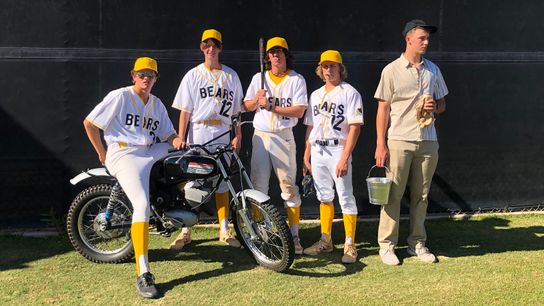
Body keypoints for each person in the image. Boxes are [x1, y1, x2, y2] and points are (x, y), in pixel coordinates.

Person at [83, 57, 183, 298]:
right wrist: (102, 154)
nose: (146, 78)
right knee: (141, 204)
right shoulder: (120, 96)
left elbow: (168, 133)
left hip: (148, 150)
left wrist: (177, 141)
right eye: (142, 74)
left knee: (192, 156)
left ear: (156, 78)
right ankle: (143, 272)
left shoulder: (156, 103)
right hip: (123, 152)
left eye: (151, 75)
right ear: (133, 75)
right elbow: (89, 123)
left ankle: (176, 206)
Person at [374, 19, 448, 265]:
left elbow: (443, 104)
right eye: (422, 38)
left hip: (428, 141)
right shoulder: (391, 70)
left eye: (428, 38)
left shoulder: (433, 70)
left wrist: (434, 106)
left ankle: (417, 243)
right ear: (408, 39)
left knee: (422, 196)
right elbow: (383, 109)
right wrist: (380, 144)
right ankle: (386, 246)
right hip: (398, 140)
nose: (426, 42)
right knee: (393, 195)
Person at [171, 29, 243, 250]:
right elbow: (185, 110)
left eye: (214, 45)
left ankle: (223, 228)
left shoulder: (231, 75)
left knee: (221, 182)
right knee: (194, 182)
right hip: (199, 132)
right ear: (201, 48)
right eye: (206, 45)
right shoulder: (193, 75)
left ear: (221, 47)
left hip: (222, 132)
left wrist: (238, 135)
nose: (210, 49)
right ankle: (186, 230)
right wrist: (181, 137)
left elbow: (236, 112)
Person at [243, 37, 308, 255]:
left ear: (286, 54)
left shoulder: (296, 79)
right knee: (258, 186)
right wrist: (256, 101)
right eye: (272, 52)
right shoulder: (258, 78)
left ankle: (294, 234)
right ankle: (262, 232)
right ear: (267, 56)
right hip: (261, 136)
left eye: (280, 51)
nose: (276, 55)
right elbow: (246, 105)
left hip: (283, 135)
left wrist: (270, 106)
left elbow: (299, 111)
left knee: (288, 187)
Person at [302, 50, 363, 264]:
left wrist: (345, 157)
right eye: (325, 66)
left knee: (346, 197)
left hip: (339, 148)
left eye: (332, 66)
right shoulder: (316, 94)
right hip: (318, 149)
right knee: (324, 196)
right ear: (320, 69)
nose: (328, 70)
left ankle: (349, 244)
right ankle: (325, 240)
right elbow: (311, 126)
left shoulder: (350, 92)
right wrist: (307, 153)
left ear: (340, 68)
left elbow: (355, 127)